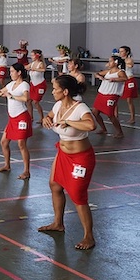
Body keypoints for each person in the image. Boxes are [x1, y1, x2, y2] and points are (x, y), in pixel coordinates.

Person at [39, 74, 98, 250]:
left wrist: (68, 121)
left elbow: (91, 125)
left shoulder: (80, 108)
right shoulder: (58, 105)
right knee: (55, 185)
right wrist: (46, 119)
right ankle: (58, 223)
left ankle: (89, 236)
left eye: (55, 89)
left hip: (81, 158)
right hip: (63, 153)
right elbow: (49, 117)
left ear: (65, 92)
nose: (52, 92)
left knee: (77, 195)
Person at [0, 63, 33, 179]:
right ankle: (7, 165)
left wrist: (11, 96)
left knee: (21, 144)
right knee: (4, 142)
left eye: (12, 71)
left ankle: (26, 171)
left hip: (22, 117)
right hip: (12, 118)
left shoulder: (24, 85)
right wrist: (1, 93)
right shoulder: (11, 84)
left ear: (19, 72)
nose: (10, 73)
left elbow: (26, 98)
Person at [91, 56, 127, 138]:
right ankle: (103, 129)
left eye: (110, 61)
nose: (108, 63)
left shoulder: (120, 72)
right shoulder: (108, 71)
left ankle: (119, 132)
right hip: (102, 93)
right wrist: (99, 76)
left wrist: (114, 79)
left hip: (111, 95)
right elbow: (96, 74)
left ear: (116, 62)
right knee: (95, 112)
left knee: (110, 114)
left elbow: (125, 78)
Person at [118, 46, 137, 124]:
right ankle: (115, 115)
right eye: (119, 51)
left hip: (129, 80)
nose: (120, 53)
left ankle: (132, 117)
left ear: (127, 52)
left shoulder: (129, 59)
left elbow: (130, 65)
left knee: (129, 100)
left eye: (122, 51)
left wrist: (123, 61)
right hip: (121, 80)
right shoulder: (118, 60)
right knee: (115, 97)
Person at [27, 49, 47, 123]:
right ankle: (30, 117)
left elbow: (43, 69)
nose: (31, 57)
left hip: (40, 85)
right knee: (28, 101)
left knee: (35, 102)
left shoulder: (41, 64)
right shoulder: (32, 63)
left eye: (32, 55)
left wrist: (35, 69)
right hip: (33, 84)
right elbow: (25, 67)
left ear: (37, 56)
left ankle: (42, 118)